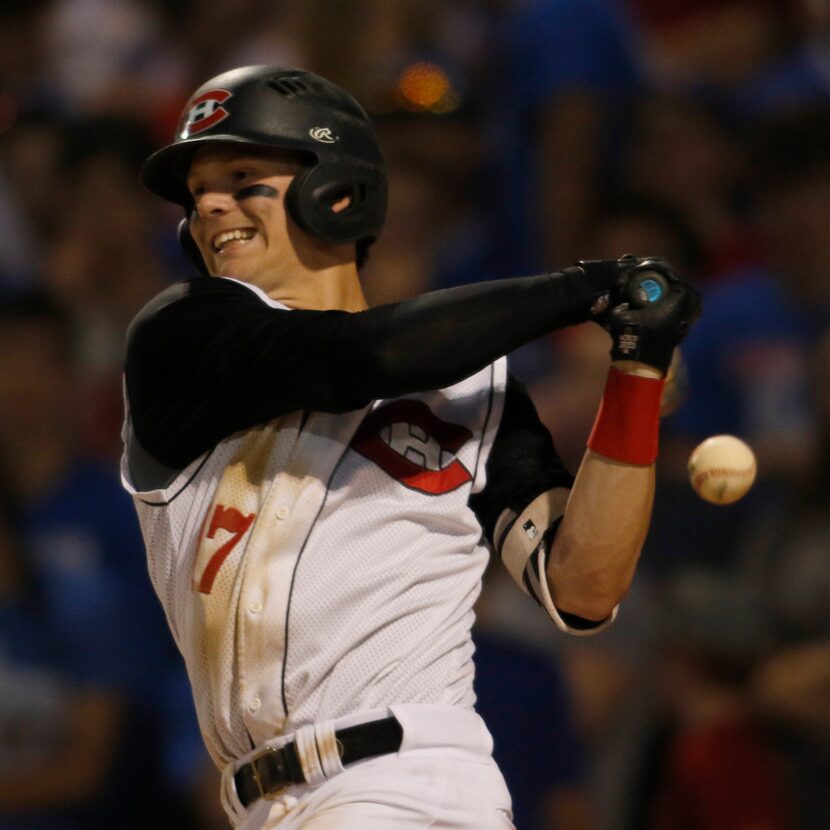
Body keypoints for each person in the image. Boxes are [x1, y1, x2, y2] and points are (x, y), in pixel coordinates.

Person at [120, 65, 700, 829]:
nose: (209, 206)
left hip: (407, 783)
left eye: (241, 177)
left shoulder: (478, 393)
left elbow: (583, 589)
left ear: (336, 191)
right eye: (198, 193)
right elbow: (364, 357)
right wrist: (586, 290)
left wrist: (636, 372)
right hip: (265, 802)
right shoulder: (183, 334)